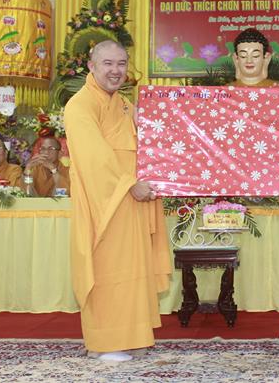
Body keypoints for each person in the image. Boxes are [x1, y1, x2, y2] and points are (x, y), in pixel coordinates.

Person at [64, 40, 171, 362]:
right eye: (108, 64)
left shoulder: (123, 104)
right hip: (106, 202)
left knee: (133, 271)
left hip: (133, 199)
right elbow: (93, 157)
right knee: (110, 271)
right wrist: (129, 185)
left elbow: (154, 136)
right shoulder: (80, 105)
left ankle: (133, 338)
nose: (115, 71)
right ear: (91, 66)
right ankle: (105, 343)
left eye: (121, 64)